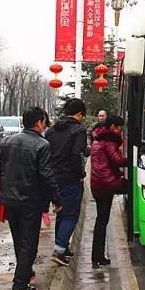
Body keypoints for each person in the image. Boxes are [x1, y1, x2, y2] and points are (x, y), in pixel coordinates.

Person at [0, 106, 62, 290]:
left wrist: (4, 187)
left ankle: (25, 273)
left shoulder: (8, 142)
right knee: (29, 242)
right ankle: (20, 284)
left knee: (19, 239)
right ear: (39, 122)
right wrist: (56, 198)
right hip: (30, 200)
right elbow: (46, 175)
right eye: (44, 122)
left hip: (10, 199)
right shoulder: (42, 145)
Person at [45, 98, 88, 266]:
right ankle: (60, 249)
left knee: (62, 212)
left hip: (53, 178)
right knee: (71, 214)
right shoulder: (79, 130)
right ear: (78, 114)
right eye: (82, 116)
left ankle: (62, 246)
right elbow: (76, 154)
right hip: (70, 178)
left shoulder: (51, 130)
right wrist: (81, 173)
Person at [90, 115, 127, 268]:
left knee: (101, 220)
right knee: (102, 220)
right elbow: (118, 160)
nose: (120, 131)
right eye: (119, 128)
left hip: (97, 185)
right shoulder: (109, 141)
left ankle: (97, 256)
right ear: (113, 126)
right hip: (108, 184)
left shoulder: (97, 139)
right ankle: (97, 256)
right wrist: (133, 157)